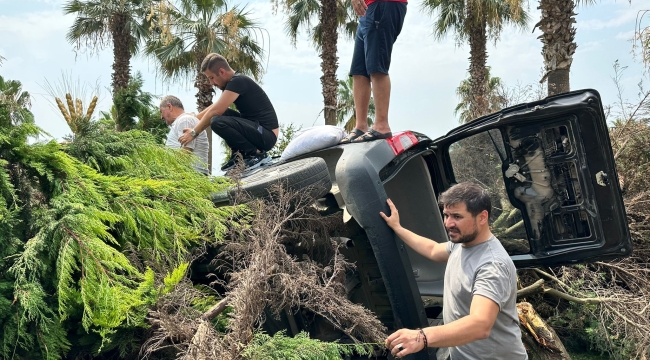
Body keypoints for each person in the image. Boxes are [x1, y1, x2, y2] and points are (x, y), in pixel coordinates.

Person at [380, 182, 527, 359]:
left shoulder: (492, 265)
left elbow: (480, 324)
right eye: (446, 215)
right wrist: (398, 228)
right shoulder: (463, 243)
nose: (448, 223)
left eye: (457, 216)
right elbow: (433, 249)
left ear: (482, 217)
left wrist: (421, 337)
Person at [178, 53, 279, 172]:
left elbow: (216, 111)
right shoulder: (233, 83)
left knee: (217, 121)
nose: (211, 83)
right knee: (223, 113)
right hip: (256, 130)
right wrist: (195, 117)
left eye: (211, 78)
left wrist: (194, 133)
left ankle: (255, 154)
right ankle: (239, 155)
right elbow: (217, 106)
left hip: (266, 135)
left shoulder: (238, 81)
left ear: (221, 72)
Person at [339, 0, 407, 143]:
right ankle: (360, 126)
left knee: (376, 66)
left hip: (383, 4)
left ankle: (381, 125)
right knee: (359, 71)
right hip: (369, 8)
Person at [161, 95, 209, 175]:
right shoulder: (183, 120)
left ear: (169, 106)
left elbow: (186, 153)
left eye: (161, 111)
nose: (161, 117)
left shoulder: (185, 120)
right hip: (186, 174)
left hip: (191, 175)